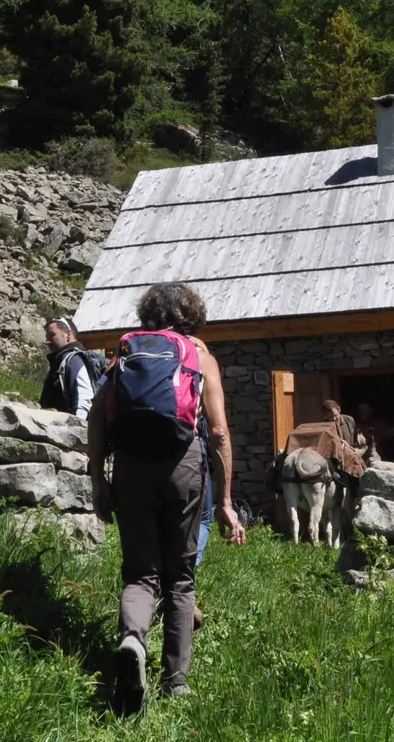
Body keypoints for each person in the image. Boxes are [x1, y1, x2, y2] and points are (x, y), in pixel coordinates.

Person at [89, 282, 246, 714]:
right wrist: (226, 501)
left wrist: (98, 481)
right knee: (180, 577)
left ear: (150, 313)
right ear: (191, 314)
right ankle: (175, 682)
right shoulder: (198, 353)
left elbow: (97, 419)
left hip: (131, 469)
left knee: (140, 574)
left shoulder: (128, 351)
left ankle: (132, 640)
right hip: (183, 467)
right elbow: (218, 432)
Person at [39, 317, 102, 418]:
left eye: (52, 335)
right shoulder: (60, 361)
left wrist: (78, 425)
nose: (47, 341)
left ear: (68, 334)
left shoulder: (74, 359)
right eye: (47, 337)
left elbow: (84, 397)